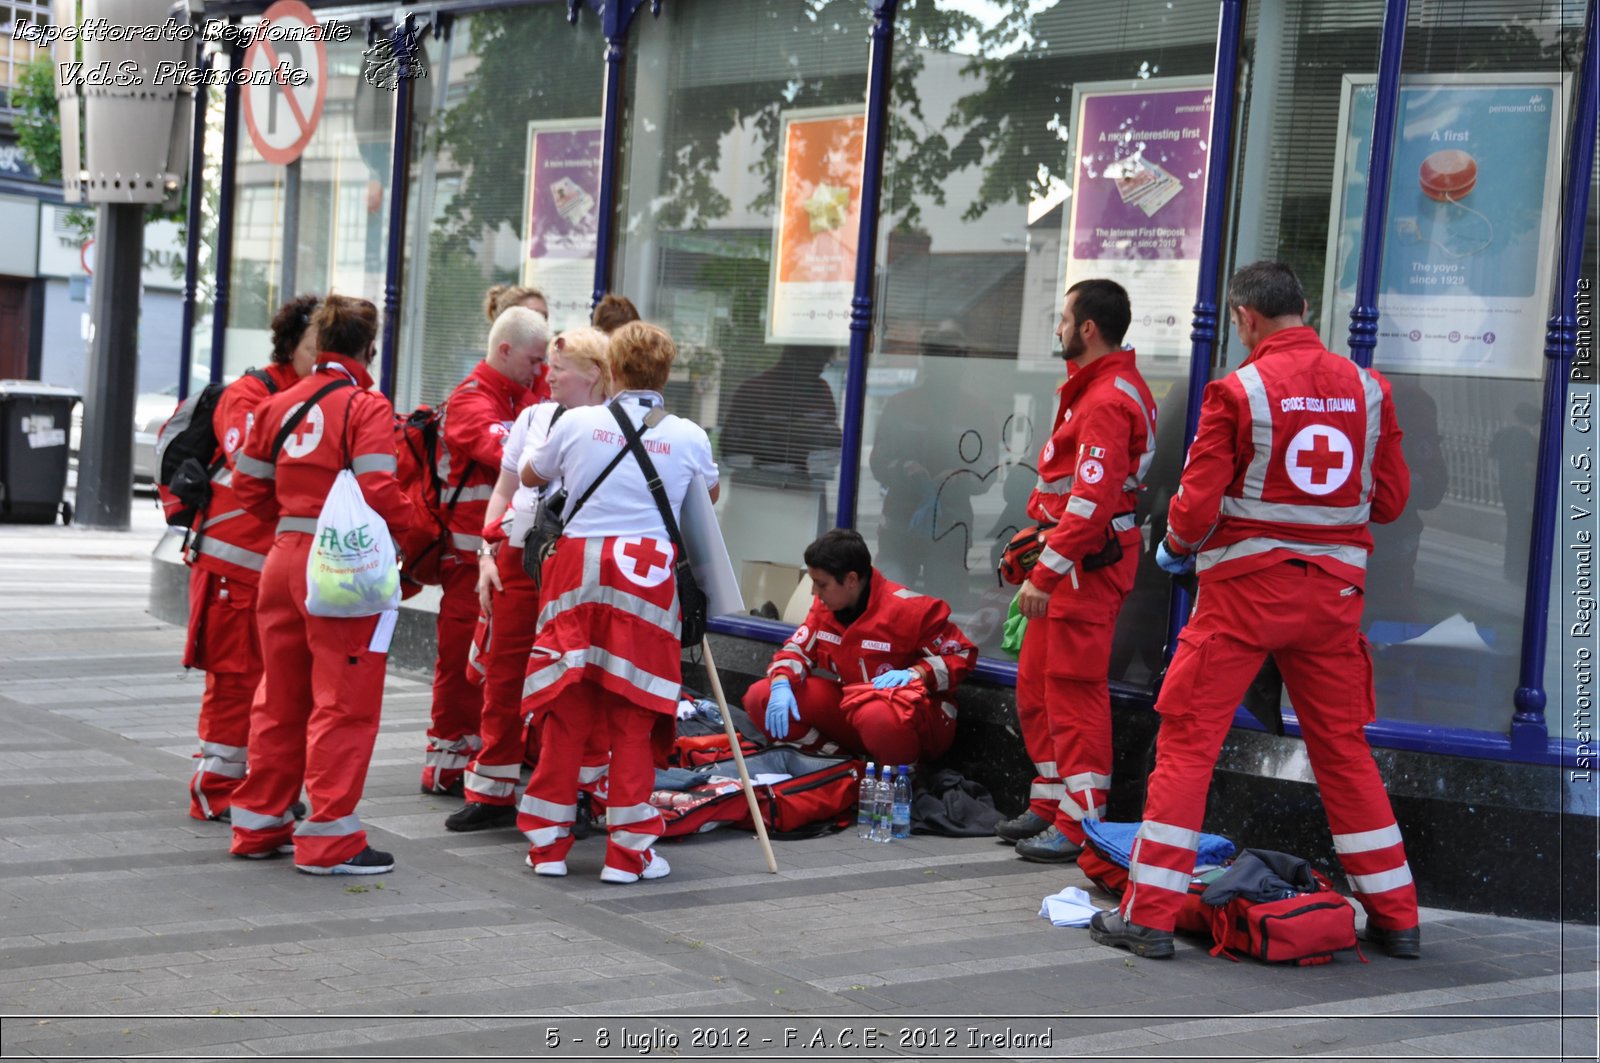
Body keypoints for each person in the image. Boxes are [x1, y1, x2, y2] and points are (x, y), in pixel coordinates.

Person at [1089, 261, 1420, 960]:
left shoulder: (1237, 391)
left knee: (1187, 744)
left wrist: (1174, 544)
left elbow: (1195, 508)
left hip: (1242, 601)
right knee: (1343, 751)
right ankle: (1398, 916)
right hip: (1333, 603)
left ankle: (1147, 915)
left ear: (1245, 319)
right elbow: (1388, 501)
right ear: (1303, 306)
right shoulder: (1370, 389)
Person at [516, 321, 719, 883]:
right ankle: (628, 856)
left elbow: (534, 474)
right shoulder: (688, 434)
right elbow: (708, 496)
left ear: (612, 369)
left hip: (576, 572)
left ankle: (547, 848)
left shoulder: (579, 422)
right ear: (666, 372)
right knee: (634, 714)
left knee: (566, 706)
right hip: (646, 578)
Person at [227, 295, 416, 874]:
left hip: (283, 561)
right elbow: (380, 489)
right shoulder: (366, 406)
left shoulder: (277, 403)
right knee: (344, 703)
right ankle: (330, 838)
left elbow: (247, 489)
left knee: (279, 697)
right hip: (341, 568)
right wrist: (419, 533)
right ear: (369, 348)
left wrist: (290, 527)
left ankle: (259, 823)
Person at [1004, 279, 1157, 863]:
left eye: (1064, 318)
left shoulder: (1108, 399)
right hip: (1065, 563)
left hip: (1083, 570)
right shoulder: (1094, 389)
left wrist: (1043, 575)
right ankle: (1049, 800)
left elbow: (1090, 507)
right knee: (1037, 688)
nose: (1059, 328)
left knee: (1072, 691)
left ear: (1088, 327)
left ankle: (1081, 820)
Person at [446, 327, 613, 831]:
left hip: (576, 560)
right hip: (517, 556)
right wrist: (485, 551)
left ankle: (581, 794)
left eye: (561, 367)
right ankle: (492, 793)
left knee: (577, 682)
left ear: (594, 373)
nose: (549, 374)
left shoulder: (612, 426)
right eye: (549, 365)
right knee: (504, 673)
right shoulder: (533, 416)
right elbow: (504, 490)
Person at [181, 295, 319, 821]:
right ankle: (216, 791)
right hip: (234, 569)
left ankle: (263, 789)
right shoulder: (250, 394)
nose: (322, 357)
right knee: (236, 681)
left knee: (278, 686)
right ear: (290, 346)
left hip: (277, 569)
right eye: (313, 347)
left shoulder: (317, 392)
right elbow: (247, 464)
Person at [420, 307, 548, 796]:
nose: (539, 372)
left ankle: (482, 757)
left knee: (494, 667)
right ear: (505, 350)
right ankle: (447, 762)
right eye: (533, 360)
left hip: (505, 559)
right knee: (460, 662)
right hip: (467, 557)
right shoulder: (471, 400)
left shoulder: (522, 397)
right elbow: (510, 455)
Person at [743, 528, 977, 766]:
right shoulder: (826, 608)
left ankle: (899, 783)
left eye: (820, 584)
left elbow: (963, 655)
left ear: (851, 580)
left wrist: (917, 673)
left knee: (876, 714)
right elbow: (797, 650)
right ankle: (842, 768)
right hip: (857, 711)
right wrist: (782, 682)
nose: (814, 592)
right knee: (761, 696)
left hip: (916, 725)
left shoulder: (911, 610)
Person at [720, 345, 841, 480]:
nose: (819, 369)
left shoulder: (822, 390)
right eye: (815, 362)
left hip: (805, 483)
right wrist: (787, 433)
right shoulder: (754, 390)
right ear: (791, 356)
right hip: (758, 483)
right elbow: (730, 451)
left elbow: (832, 446)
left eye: (824, 363)